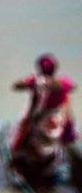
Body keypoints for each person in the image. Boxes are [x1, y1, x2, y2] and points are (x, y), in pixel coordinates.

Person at [10, 53, 78, 188]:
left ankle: (31, 168)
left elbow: (16, 86)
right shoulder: (59, 82)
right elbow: (72, 86)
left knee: (30, 141)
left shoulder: (40, 81)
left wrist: (36, 81)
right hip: (51, 119)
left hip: (44, 119)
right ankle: (44, 170)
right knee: (47, 144)